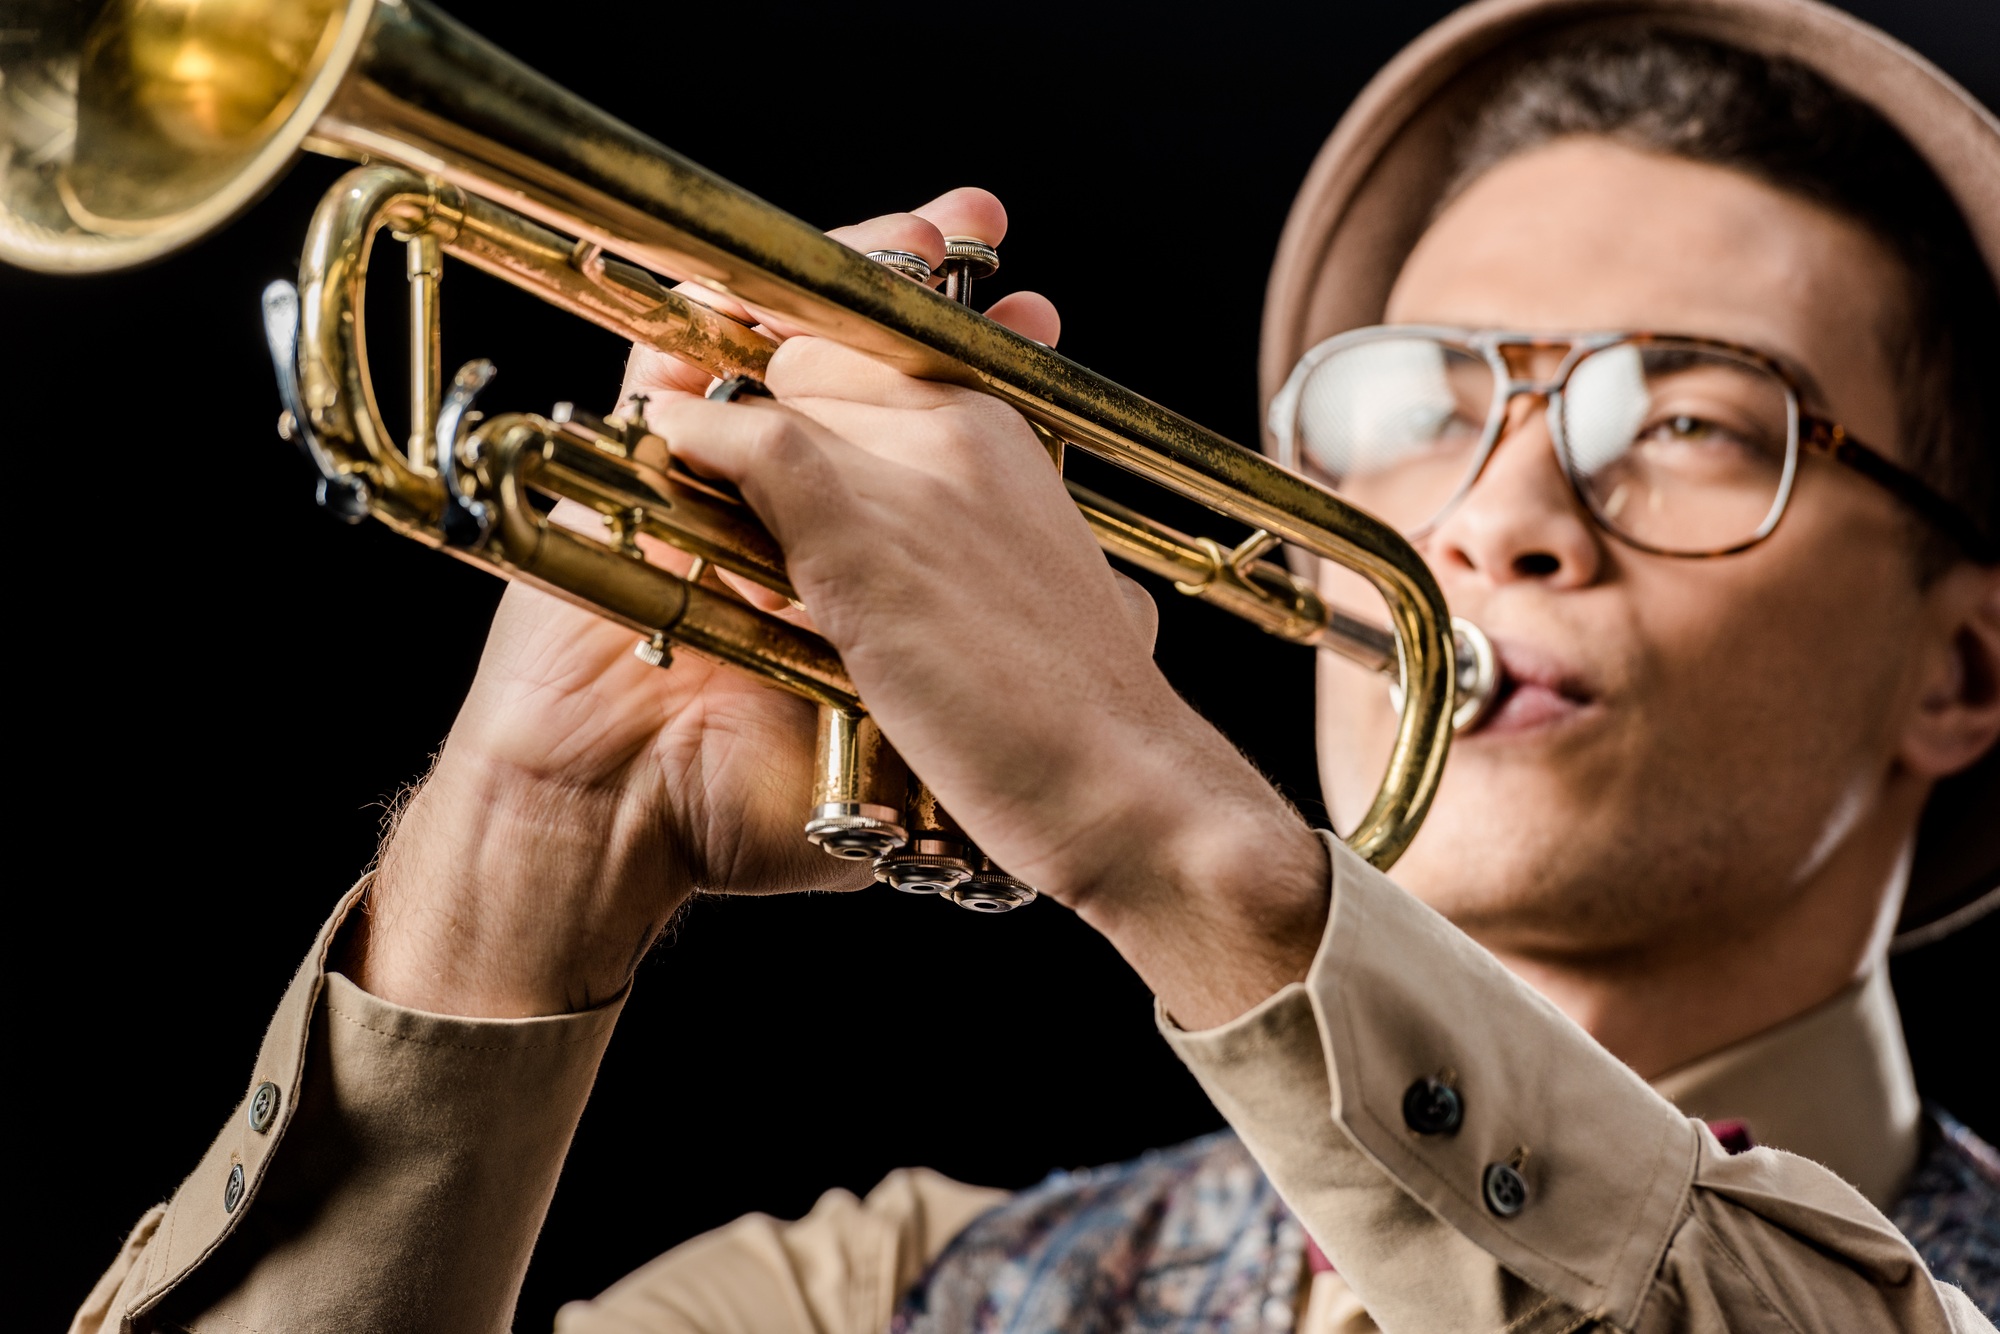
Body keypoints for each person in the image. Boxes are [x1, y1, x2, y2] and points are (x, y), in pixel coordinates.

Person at [70, 0, 1999, 1330]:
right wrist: (529, 832)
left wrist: (1170, 826)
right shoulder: (897, 1293)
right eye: (1422, 398)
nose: (1500, 512)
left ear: (1968, 666)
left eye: (1690, 422)